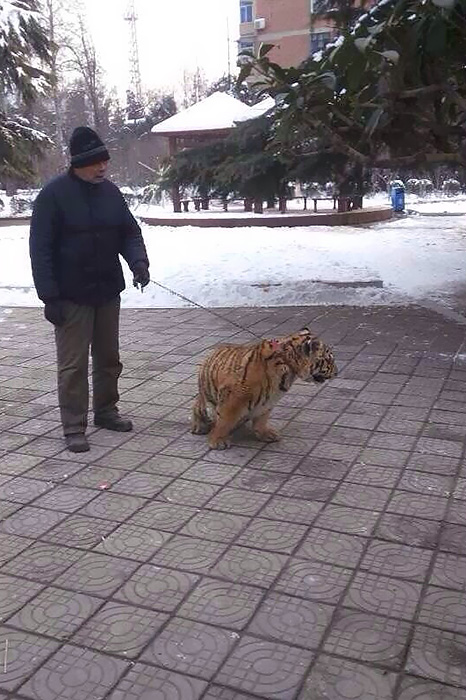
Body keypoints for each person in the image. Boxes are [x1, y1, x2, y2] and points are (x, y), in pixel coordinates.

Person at [29, 126, 150, 453]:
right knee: (73, 365)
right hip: (70, 296)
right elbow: (40, 250)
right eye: (96, 163)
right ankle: (73, 426)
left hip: (107, 291)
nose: (103, 167)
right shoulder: (53, 196)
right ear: (78, 163)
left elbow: (129, 232)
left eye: (105, 161)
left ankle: (107, 411)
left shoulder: (110, 192)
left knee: (109, 358)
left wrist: (138, 262)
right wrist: (49, 296)